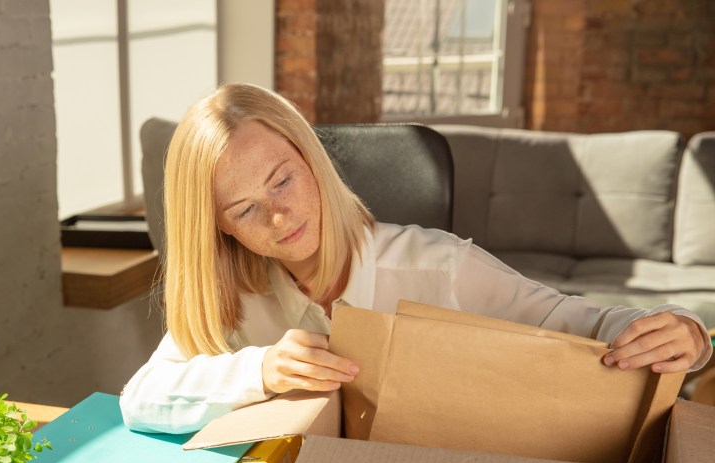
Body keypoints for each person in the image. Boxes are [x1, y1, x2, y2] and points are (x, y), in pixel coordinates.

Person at [119, 83, 713, 434]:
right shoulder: (236, 296)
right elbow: (140, 399)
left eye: (282, 181)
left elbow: (581, 322)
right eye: (244, 211)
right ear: (221, 230)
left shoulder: (441, 267)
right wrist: (258, 372)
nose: (278, 217)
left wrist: (674, 329)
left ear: (312, 161)